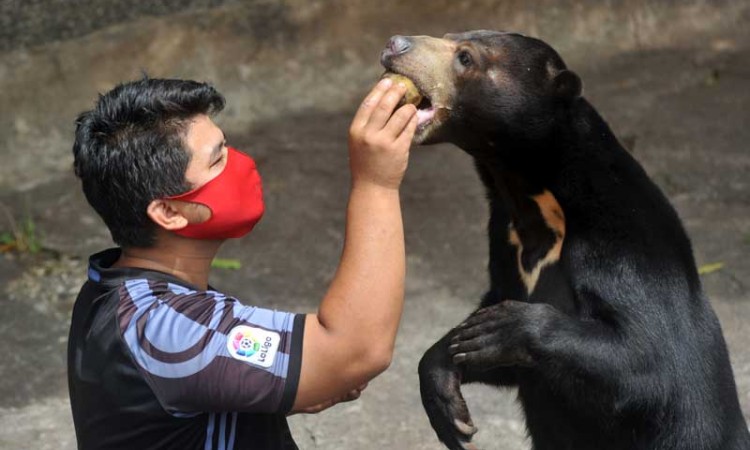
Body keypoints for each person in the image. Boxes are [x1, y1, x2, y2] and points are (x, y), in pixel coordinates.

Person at [67, 76, 417, 449]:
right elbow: (357, 350)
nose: (241, 163)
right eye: (217, 159)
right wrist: (376, 183)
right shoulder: (163, 330)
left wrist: (290, 381)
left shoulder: (117, 290)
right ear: (169, 211)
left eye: (227, 146)